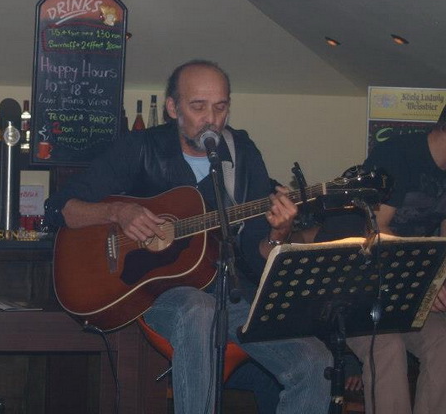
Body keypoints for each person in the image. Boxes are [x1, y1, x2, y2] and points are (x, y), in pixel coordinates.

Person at [45, 60, 332, 414]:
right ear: (172, 108)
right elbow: (60, 208)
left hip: (234, 291)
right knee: (200, 309)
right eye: (198, 106)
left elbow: (256, 254)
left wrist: (278, 233)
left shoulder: (242, 154)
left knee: (316, 362)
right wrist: (118, 212)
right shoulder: (139, 148)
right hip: (157, 294)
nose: (211, 118)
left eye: (220, 107)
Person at [342, 105, 446, 414]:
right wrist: (428, 278)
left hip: (408, 288)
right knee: (388, 347)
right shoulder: (397, 154)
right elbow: (376, 231)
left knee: (442, 343)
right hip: (361, 283)